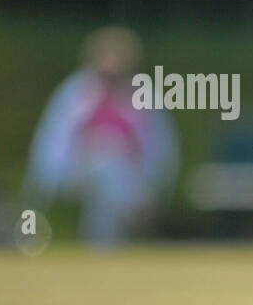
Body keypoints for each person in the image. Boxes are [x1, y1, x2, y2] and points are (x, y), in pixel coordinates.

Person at [24, 26, 178, 246]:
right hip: (77, 171)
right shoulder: (75, 93)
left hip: (128, 174)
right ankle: (131, 212)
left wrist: (155, 182)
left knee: (108, 175)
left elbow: (159, 146)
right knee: (105, 163)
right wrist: (43, 184)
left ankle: (102, 247)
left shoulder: (143, 95)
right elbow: (53, 141)